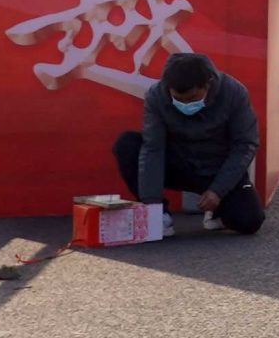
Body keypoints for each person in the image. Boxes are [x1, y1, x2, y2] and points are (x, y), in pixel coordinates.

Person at [112, 53, 264, 235]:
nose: (184, 104)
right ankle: (160, 215)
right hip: (179, 165)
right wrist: (152, 203)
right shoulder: (156, 96)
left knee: (250, 221)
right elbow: (153, 148)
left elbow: (245, 144)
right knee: (127, 145)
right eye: (178, 99)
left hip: (217, 168)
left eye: (192, 98)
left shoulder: (234, 92)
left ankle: (217, 211)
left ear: (208, 83)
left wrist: (218, 190)